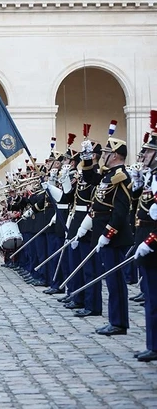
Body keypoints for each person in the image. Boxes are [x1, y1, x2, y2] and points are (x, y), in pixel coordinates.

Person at [90, 135, 133, 336]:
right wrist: (88, 159)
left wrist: (108, 233)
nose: (103, 156)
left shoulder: (121, 176)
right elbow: (91, 181)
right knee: (110, 279)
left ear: (115, 155)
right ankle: (114, 320)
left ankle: (119, 322)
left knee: (115, 280)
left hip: (114, 235)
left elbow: (121, 210)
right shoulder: (108, 175)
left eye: (106, 153)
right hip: (103, 231)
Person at [132, 111, 157, 361]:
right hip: (147, 240)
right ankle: (153, 343)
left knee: (154, 297)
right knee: (151, 296)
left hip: (154, 246)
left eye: (149, 152)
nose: (144, 156)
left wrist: (150, 243)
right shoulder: (151, 178)